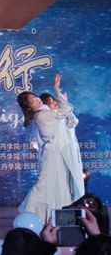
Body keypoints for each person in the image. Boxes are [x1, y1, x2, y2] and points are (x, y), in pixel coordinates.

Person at [17, 77, 84, 222]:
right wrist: (57, 91)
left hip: (62, 154)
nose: (36, 99)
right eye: (32, 100)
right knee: (43, 186)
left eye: (35, 97)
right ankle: (29, 217)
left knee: (61, 189)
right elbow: (65, 110)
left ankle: (54, 219)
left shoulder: (48, 112)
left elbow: (71, 121)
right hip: (52, 156)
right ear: (29, 108)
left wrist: (62, 104)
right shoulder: (42, 116)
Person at [40, 74, 83, 181]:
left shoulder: (62, 118)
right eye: (50, 103)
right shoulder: (49, 118)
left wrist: (65, 107)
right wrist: (57, 90)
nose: (54, 103)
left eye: (54, 101)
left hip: (70, 153)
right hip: (58, 156)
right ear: (45, 107)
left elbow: (73, 122)